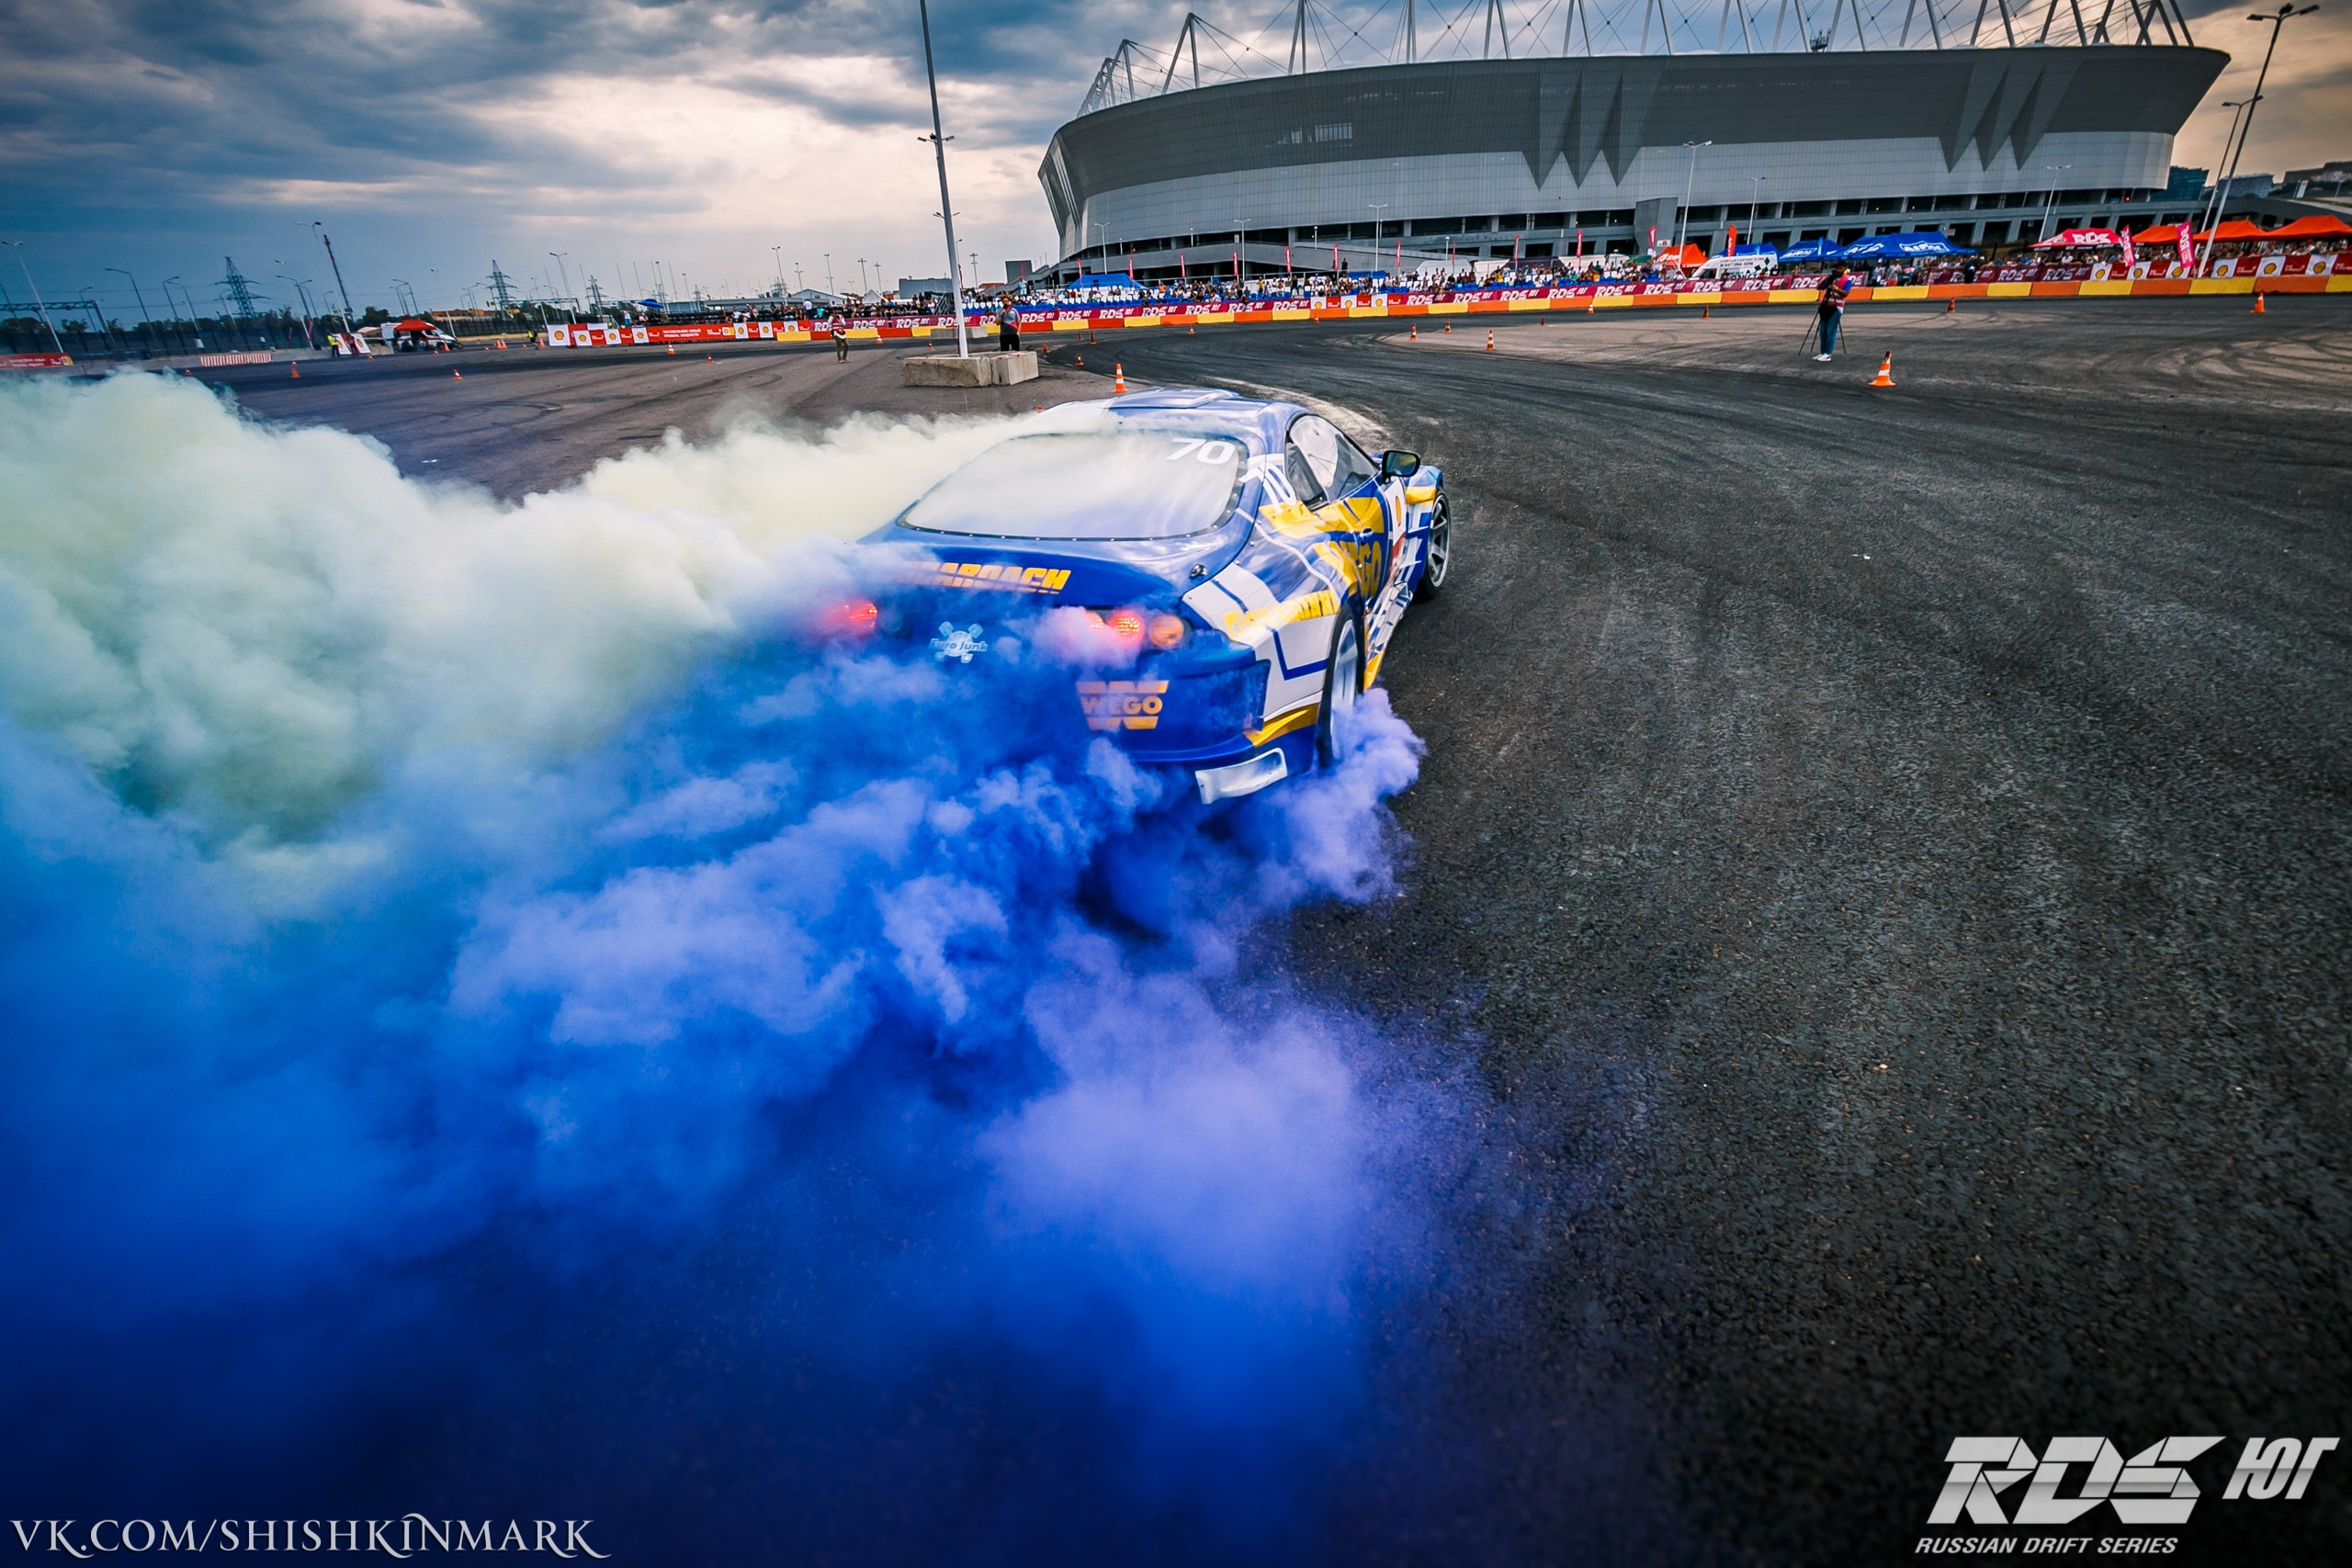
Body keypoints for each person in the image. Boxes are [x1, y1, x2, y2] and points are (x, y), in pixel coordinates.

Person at [1815, 266, 1853, 361]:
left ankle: (1828, 353)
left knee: (1830, 330)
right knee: (1822, 331)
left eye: (1840, 269)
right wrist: (1825, 279)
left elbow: (1846, 293)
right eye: (1837, 269)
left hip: (1836, 307)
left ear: (1844, 270)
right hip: (1825, 306)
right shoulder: (1832, 278)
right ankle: (1823, 352)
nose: (1837, 270)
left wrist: (1835, 289)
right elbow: (1819, 288)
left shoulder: (1847, 280)